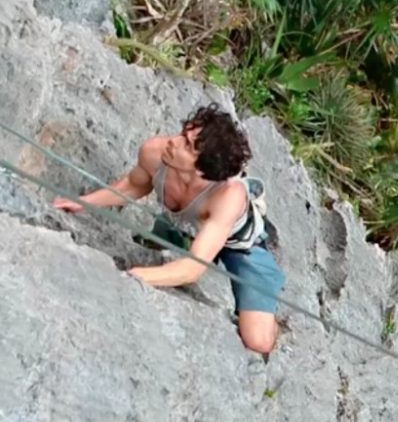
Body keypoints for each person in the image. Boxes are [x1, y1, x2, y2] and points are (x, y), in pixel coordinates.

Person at [51, 104, 285, 356]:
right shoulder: (155, 152)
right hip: (190, 227)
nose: (172, 142)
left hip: (241, 246)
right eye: (182, 133)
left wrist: (138, 276)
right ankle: (179, 237)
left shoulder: (227, 196)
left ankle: (271, 316)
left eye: (186, 144)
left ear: (202, 168)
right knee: (181, 235)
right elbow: (133, 185)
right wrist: (83, 203)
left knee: (257, 341)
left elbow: (192, 268)